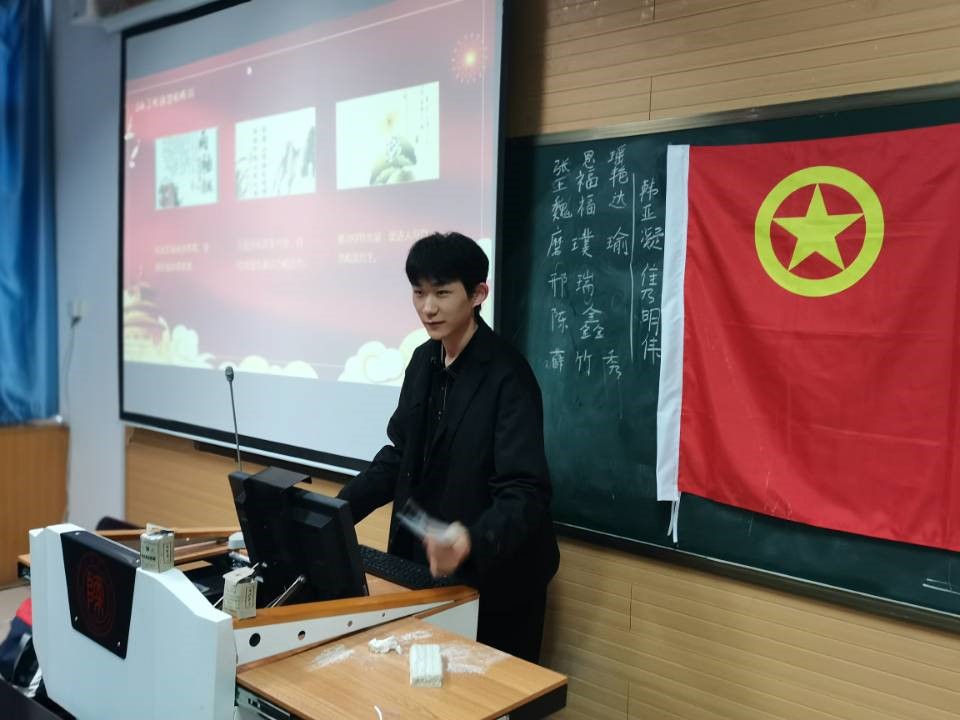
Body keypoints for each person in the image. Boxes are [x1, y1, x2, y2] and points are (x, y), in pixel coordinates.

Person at [337, 231, 560, 663]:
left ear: (478, 295)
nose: (428, 307)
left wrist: (470, 539)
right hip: (427, 569)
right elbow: (399, 455)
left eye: (442, 293)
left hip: (498, 580)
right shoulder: (423, 360)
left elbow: (526, 491)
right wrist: (339, 510)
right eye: (418, 293)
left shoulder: (508, 376)